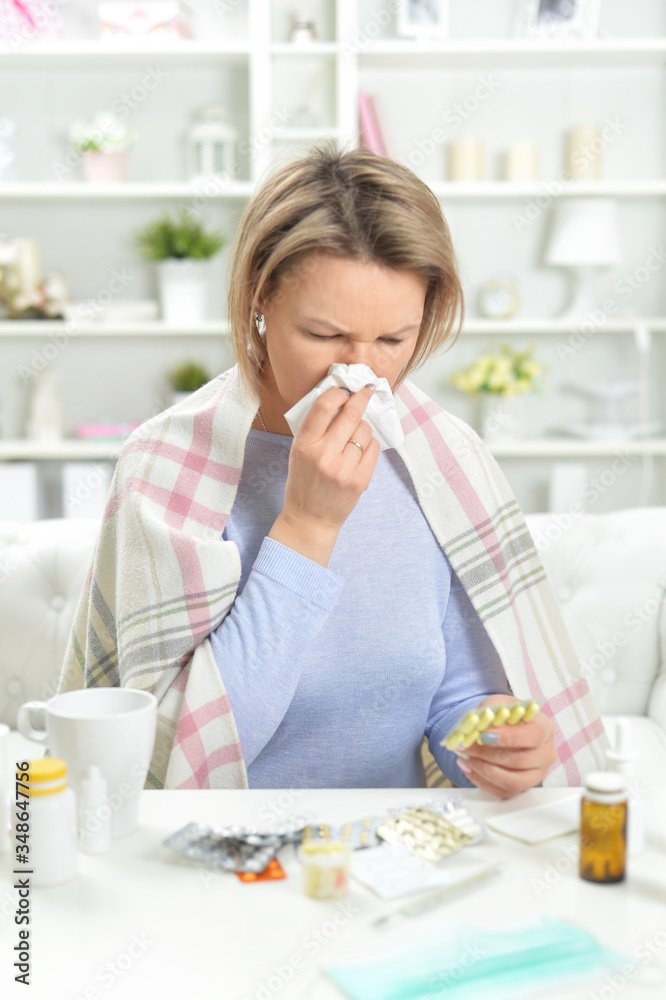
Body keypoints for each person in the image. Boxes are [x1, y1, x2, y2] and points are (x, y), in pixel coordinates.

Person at [57, 143, 609, 793]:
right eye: (324, 336)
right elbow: (184, 758)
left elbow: (454, 698)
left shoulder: (437, 458)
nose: (361, 373)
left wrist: (495, 746)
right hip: (215, 865)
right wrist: (308, 524)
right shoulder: (165, 468)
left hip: (387, 862)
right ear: (260, 298)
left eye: (393, 340)